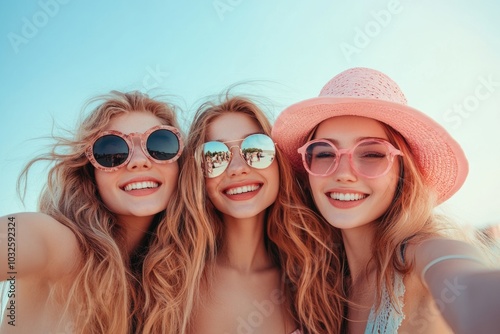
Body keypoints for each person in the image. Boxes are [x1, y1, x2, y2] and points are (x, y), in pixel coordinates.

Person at [272, 67, 500, 333]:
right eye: (324, 153)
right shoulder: (318, 284)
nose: (344, 173)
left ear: (402, 170)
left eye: (371, 154)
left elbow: (470, 285)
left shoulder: (423, 256)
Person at [142, 95, 344, 333]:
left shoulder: (317, 277)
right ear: (197, 176)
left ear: (279, 163)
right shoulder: (169, 283)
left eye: (256, 148)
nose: (238, 168)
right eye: (214, 155)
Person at [0, 91, 184, 333]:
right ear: (90, 172)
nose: (139, 161)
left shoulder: (177, 281)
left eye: (160, 144)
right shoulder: (57, 243)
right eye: (111, 151)